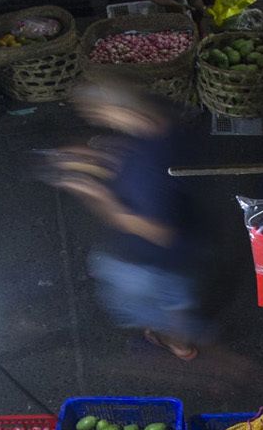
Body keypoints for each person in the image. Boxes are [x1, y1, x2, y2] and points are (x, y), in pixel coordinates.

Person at [49, 78, 205, 361]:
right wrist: (102, 157)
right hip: (186, 248)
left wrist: (96, 195)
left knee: (139, 297)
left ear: (117, 110)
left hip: (152, 259)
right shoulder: (160, 126)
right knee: (176, 301)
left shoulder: (149, 170)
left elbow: (159, 232)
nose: (96, 119)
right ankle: (182, 343)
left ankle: (177, 342)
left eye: (97, 113)